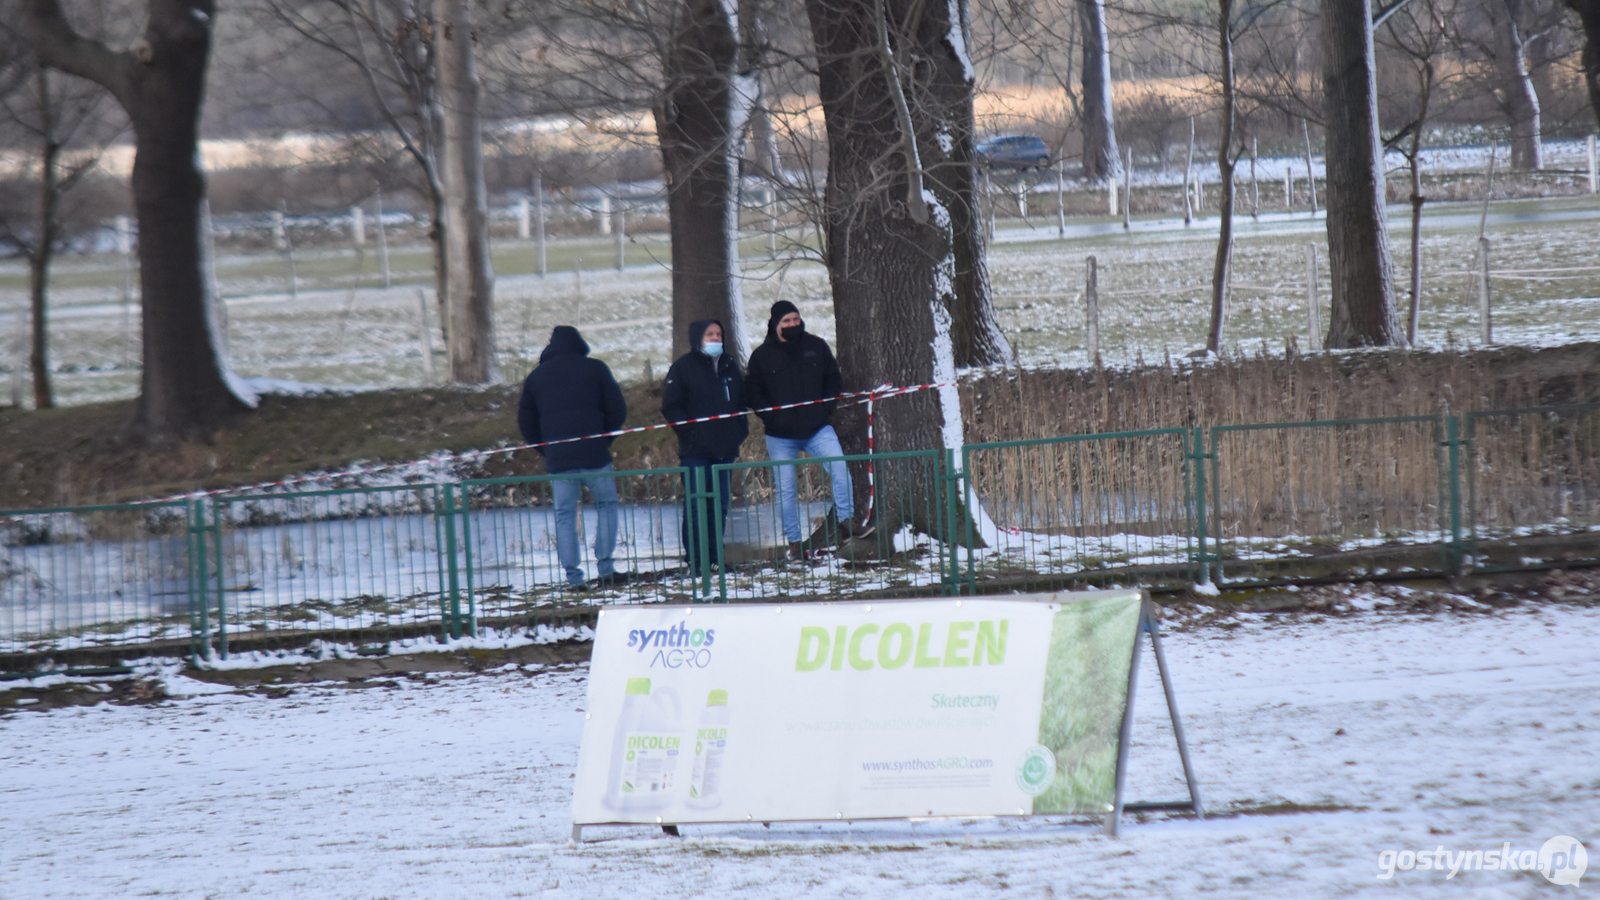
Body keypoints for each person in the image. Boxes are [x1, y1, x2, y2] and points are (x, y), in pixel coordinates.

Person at [744, 300, 872, 561]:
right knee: (787, 489)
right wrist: (771, 417)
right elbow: (754, 394)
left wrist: (825, 409)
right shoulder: (761, 356)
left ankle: (847, 524)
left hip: (817, 429)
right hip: (780, 436)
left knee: (840, 472)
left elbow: (833, 380)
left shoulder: (817, 346)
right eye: (786, 321)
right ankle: (793, 541)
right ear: (775, 325)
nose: (792, 325)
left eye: (795, 319)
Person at [517, 325, 628, 589]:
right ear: (579, 343)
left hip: (559, 459)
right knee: (607, 506)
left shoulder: (536, 378)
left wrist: (546, 449)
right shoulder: (597, 369)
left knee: (564, 515)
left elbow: (526, 422)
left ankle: (574, 577)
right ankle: (606, 567)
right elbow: (617, 410)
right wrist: (604, 440)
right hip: (595, 456)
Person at [661, 319, 748, 573]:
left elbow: (741, 403)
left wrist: (739, 430)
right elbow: (671, 406)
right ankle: (695, 559)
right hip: (695, 451)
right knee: (697, 505)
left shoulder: (730, 366)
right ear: (698, 337)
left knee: (719, 505)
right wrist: (689, 434)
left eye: (719, 334)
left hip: (725, 450)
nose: (715, 338)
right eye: (710, 334)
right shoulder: (682, 368)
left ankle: (714, 556)